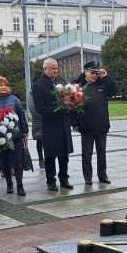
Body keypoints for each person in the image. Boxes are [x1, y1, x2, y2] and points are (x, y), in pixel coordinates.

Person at [73, 60, 118, 185]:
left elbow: (114, 90)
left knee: (102, 153)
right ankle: (88, 177)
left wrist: (106, 77)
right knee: (87, 154)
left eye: (96, 73)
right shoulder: (78, 86)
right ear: (86, 72)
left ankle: (102, 175)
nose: (94, 75)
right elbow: (72, 107)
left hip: (101, 124)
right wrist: (74, 123)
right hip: (86, 124)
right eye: (92, 73)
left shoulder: (102, 83)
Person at [32, 58, 74, 191]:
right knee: (50, 155)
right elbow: (40, 108)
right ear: (45, 69)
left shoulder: (61, 82)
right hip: (50, 126)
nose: (56, 71)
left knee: (64, 154)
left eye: (56, 68)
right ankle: (51, 180)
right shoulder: (38, 85)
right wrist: (59, 109)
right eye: (53, 68)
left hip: (63, 124)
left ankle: (64, 178)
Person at [0, 76, 29, 196]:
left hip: (16, 135)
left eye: (5, 85)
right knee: (4, 161)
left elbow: (21, 115)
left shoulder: (14, 99)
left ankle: (20, 185)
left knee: (17, 161)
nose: (3, 87)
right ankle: (9, 184)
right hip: (0, 137)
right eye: (0, 85)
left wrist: (25, 130)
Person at [27, 84, 44, 169]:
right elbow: (32, 108)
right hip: (38, 122)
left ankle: (48, 157)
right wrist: (42, 115)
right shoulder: (32, 93)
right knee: (39, 141)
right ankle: (41, 159)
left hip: (48, 121)